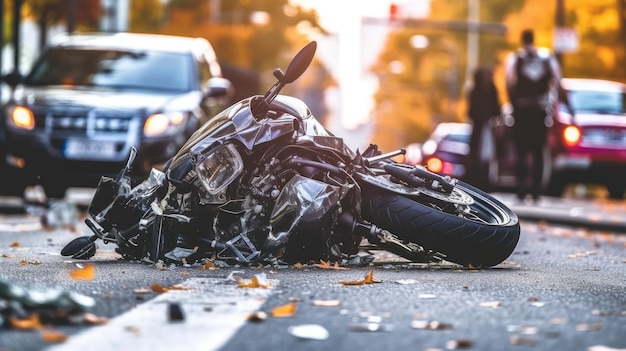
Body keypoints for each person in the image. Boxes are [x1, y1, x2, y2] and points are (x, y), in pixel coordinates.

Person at [505, 29, 562, 203]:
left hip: (521, 109)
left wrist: (512, 101)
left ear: (522, 40)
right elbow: (558, 81)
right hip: (540, 109)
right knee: (538, 150)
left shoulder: (515, 58)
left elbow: (508, 80)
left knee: (521, 150)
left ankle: (521, 187)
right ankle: (536, 188)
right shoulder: (546, 58)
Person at [466, 66, 500, 189]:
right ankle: (476, 181)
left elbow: (497, 109)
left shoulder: (492, 90)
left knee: (487, 155)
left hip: (488, 127)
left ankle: (486, 182)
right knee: (477, 155)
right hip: (479, 127)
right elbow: (471, 111)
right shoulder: (475, 91)